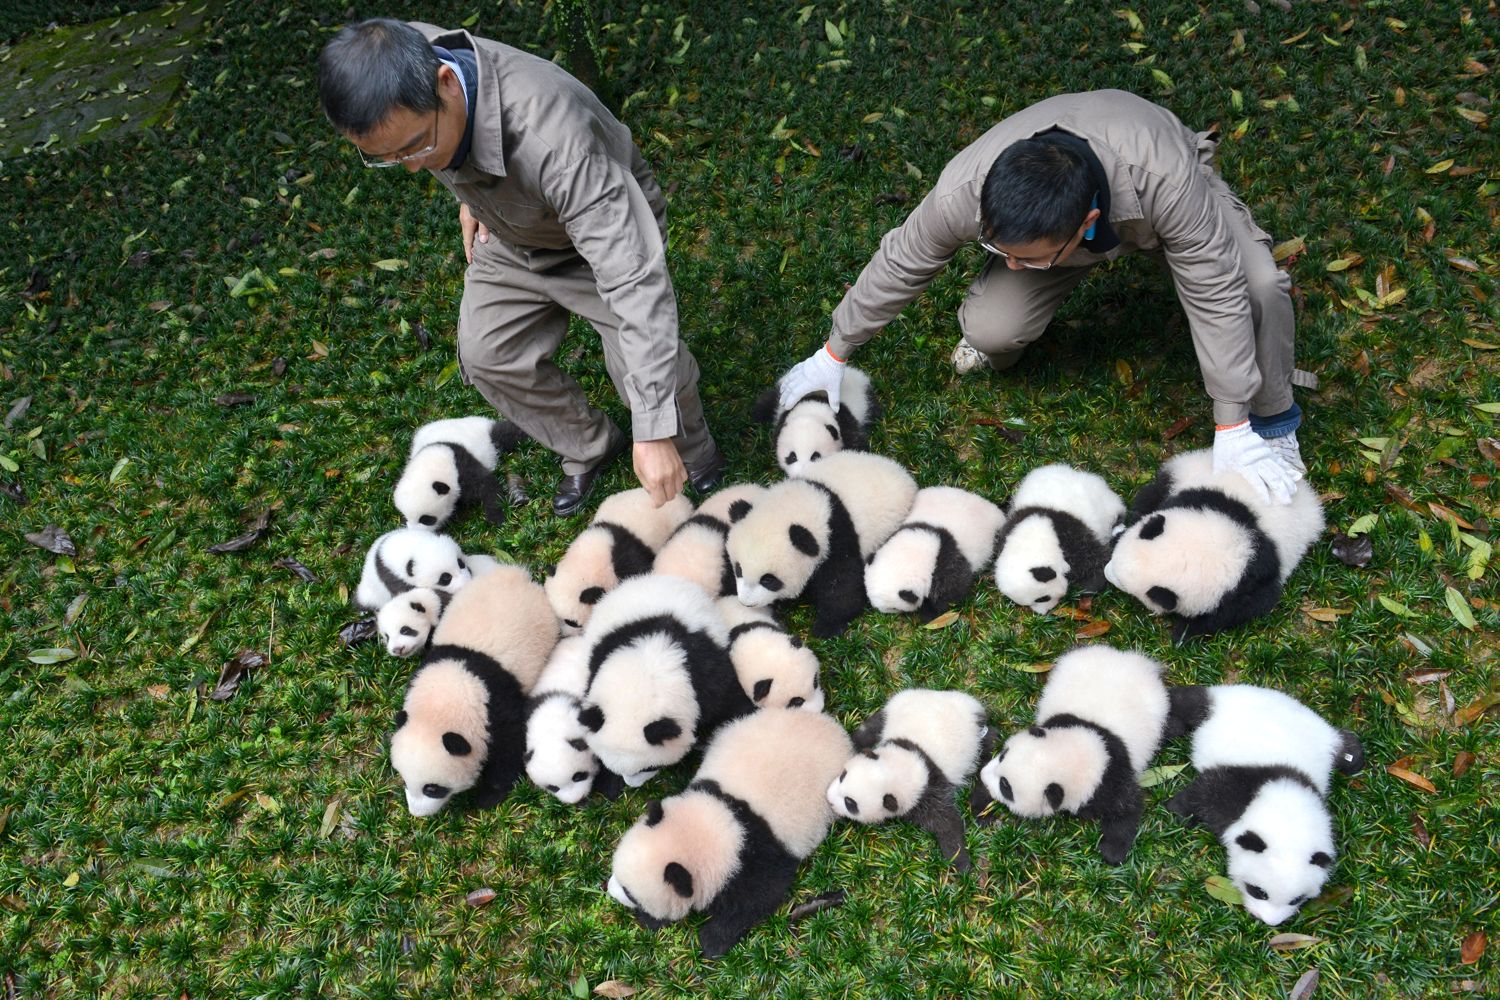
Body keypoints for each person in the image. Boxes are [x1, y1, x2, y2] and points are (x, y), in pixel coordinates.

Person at [779, 89, 1311, 504]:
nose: (1010, 266)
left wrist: (1233, 420)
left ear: (1087, 226)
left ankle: (1273, 420)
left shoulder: (1167, 182)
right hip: (1059, 222)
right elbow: (902, 261)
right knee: (991, 328)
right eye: (997, 249)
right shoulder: (964, 191)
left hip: (1154, 198)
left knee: (1257, 287)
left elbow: (1214, 290)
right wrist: (834, 349)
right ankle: (1012, 290)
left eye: (1025, 258)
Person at [317, 18, 724, 516]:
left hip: (601, 232)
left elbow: (634, 280)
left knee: (643, 364)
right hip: (512, 227)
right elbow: (434, 138)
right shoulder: (404, 55)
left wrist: (654, 431)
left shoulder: (558, 144)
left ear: (446, 83)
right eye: (386, 157)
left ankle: (692, 453)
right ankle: (591, 445)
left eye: (415, 146)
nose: (411, 167)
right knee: (487, 351)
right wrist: (471, 189)